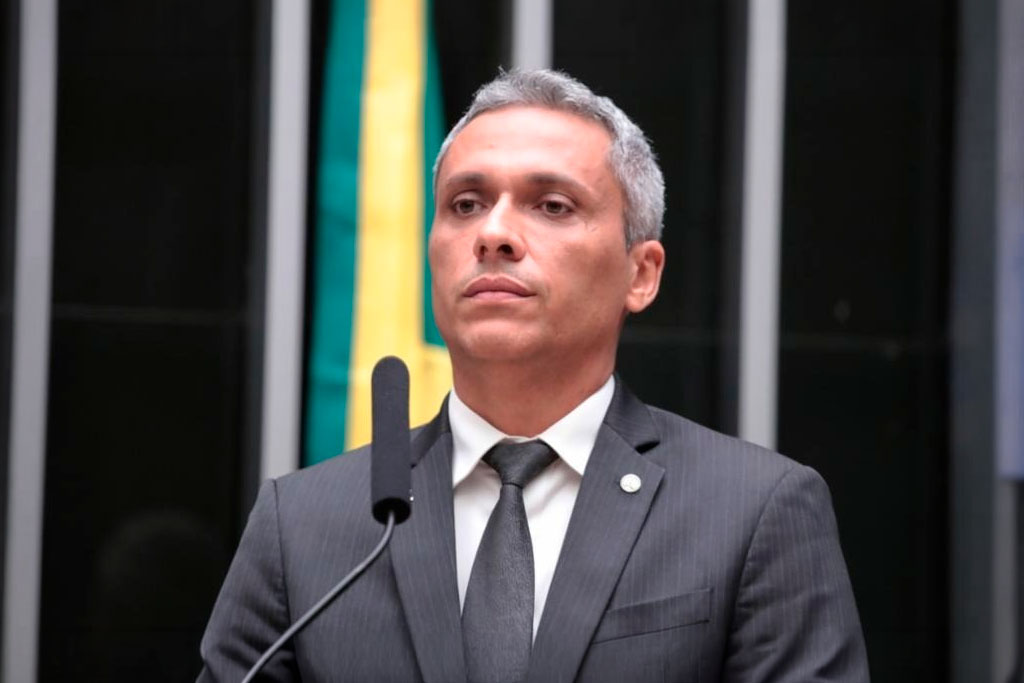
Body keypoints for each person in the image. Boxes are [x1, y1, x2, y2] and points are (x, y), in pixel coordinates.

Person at [198, 69, 869, 682]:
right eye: (464, 204)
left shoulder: (756, 511)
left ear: (642, 272)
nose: (493, 233)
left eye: (551, 205)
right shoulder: (305, 524)